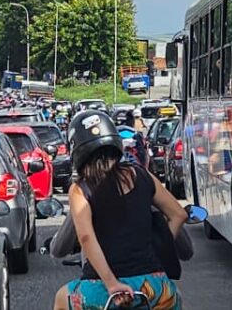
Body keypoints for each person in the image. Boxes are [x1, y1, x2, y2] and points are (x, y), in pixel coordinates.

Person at [54, 110, 187, 310]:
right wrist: (156, 255)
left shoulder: (80, 190)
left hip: (101, 289)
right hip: (154, 287)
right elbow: (179, 214)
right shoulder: (142, 175)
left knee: (62, 298)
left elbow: (86, 238)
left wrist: (112, 284)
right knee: (176, 296)